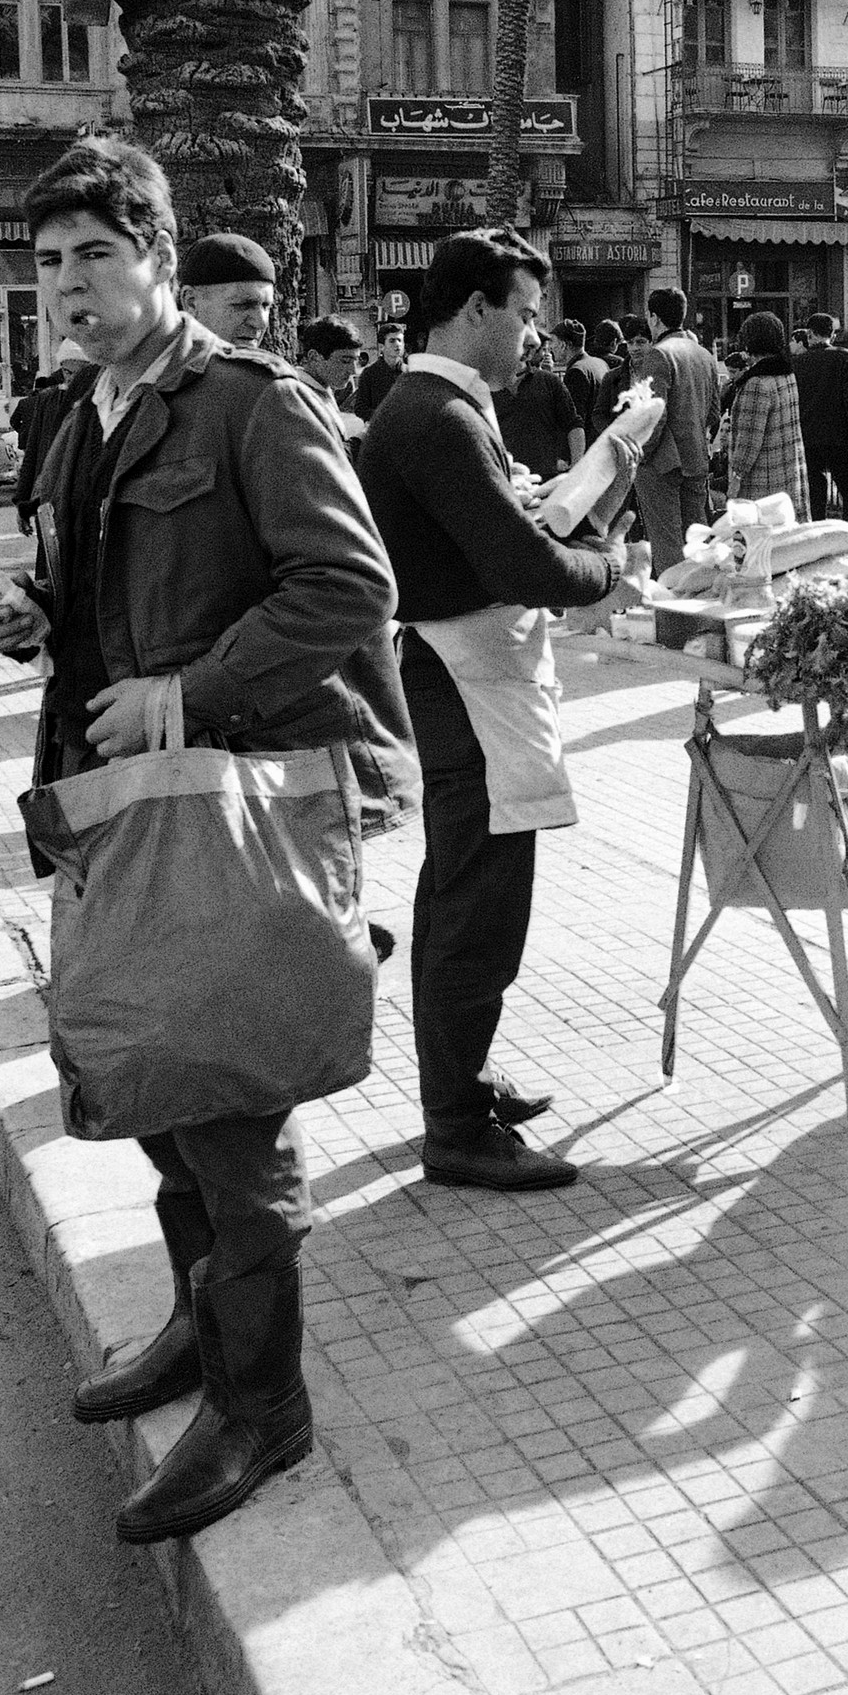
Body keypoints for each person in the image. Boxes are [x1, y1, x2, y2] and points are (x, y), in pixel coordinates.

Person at [0, 134, 415, 1544]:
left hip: (229, 809)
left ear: (159, 258)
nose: (67, 287)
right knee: (169, 1105)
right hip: (115, 815)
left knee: (235, 1127)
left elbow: (349, 586)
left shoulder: (247, 403)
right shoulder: (77, 415)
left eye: (95, 256)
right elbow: (109, 587)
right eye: (48, 264)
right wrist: (46, 625)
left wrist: (191, 688)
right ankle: (196, 1332)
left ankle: (265, 1406)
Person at [359, 230, 627, 1190]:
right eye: (520, 316)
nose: (532, 340)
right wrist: (608, 571)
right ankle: (455, 1126)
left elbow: (495, 534)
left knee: (461, 888)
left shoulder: (434, 406)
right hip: (464, 679)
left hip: (459, 672)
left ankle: (458, 1082)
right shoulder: (438, 417)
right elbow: (523, 567)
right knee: (479, 900)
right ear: (474, 308)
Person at [632, 287, 720, 573]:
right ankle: (705, 602)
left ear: (654, 318)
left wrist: (640, 455)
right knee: (699, 541)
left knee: (667, 546)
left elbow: (652, 416)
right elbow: (714, 414)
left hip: (661, 464)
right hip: (696, 459)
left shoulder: (658, 355)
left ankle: (673, 610)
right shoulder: (704, 355)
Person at [725, 311, 811, 515]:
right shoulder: (787, 375)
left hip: (762, 480)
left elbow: (748, 441)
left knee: (759, 538)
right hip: (789, 472)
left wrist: (735, 478)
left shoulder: (756, 383)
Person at [13, 338, 89, 534]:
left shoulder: (102, 401)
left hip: (85, 507)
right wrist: (22, 503)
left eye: (79, 373)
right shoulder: (48, 401)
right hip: (49, 504)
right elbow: (33, 453)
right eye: (67, 372)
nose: (72, 379)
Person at [793, 311, 848, 524]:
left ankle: (817, 535)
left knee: (815, 494)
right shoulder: (844, 357)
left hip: (808, 436)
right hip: (838, 435)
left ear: (810, 334)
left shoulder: (797, 363)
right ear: (832, 333)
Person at [494, 340, 583, 478]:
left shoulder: (549, 381)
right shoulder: (485, 387)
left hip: (547, 475)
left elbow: (573, 424)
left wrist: (577, 469)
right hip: (505, 477)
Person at [177, 231, 276, 348]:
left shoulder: (269, 365)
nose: (261, 322)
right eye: (244, 305)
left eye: (266, 306)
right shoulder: (157, 364)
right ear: (192, 302)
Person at [298, 315, 366, 444]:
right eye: (345, 361)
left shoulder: (321, 388)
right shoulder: (299, 397)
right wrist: (363, 438)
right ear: (314, 357)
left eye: (355, 361)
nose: (353, 371)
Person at [552, 317, 606, 438]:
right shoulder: (600, 363)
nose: (551, 347)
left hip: (587, 447)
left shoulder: (576, 372)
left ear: (563, 345)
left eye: (553, 342)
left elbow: (575, 422)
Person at [354, 323, 406, 421]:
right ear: (382, 346)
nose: (397, 344)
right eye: (392, 341)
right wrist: (384, 417)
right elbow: (360, 408)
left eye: (400, 340)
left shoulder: (409, 373)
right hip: (377, 431)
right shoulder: (370, 373)